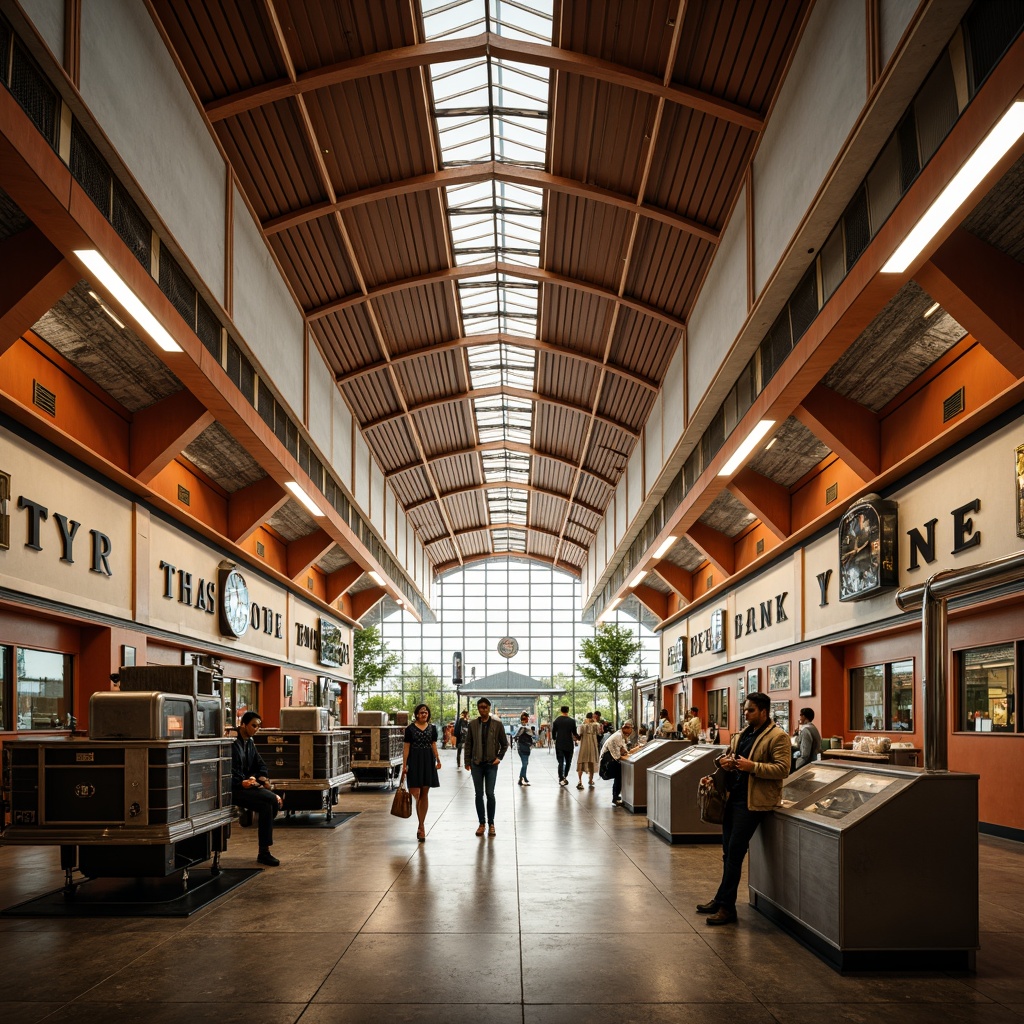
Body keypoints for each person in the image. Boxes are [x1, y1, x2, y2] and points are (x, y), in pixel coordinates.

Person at [697, 691, 790, 926]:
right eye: (745, 709)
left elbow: (782, 769)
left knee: (736, 853)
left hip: (754, 803)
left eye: (750, 710)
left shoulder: (778, 737)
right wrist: (721, 763)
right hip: (734, 798)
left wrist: (753, 766)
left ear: (763, 711)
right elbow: (726, 757)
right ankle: (721, 899)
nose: (745, 713)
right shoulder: (742, 735)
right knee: (729, 852)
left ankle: (727, 908)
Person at [232, 711, 282, 866]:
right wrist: (241, 782)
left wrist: (254, 777)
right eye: (253, 725)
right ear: (243, 724)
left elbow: (261, 766)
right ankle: (264, 852)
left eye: (258, 726)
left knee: (269, 803)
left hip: (247, 786)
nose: (256, 729)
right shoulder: (232, 743)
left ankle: (264, 851)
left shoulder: (249, 743)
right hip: (235, 789)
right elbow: (226, 769)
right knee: (270, 801)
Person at [464, 697, 509, 836]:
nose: (483, 709)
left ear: (489, 708)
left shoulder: (497, 724)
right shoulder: (472, 724)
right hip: (476, 764)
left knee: (490, 793)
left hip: (491, 764)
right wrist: (467, 761)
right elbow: (468, 744)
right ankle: (481, 823)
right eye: (480, 707)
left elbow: (505, 744)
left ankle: (491, 823)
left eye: (485, 707)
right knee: (479, 794)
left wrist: (499, 757)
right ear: (478, 708)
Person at [401, 703, 442, 842]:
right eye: (421, 712)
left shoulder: (432, 728)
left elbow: (433, 744)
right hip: (414, 761)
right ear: (417, 714)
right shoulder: (410, 729)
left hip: (427, 761)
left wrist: (438, 759)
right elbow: (406, 747)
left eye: (426, 712)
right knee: (415, 792)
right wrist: (404, 765)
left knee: (424, 792)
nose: (424, 714)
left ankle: (421, 826)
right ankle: (420, 814)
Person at [600, 720, 633, 806]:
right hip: (608, 761)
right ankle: (615, 797)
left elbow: (624, 751)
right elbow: (620, 753)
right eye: (629, 731)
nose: (629, 734)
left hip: (610, 759)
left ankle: (616, 795)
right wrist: (626, 753)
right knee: (619, 775)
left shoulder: (620, 735)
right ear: (624, 728)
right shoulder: (618, 736)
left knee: (619, 776)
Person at [550, 705, 580, 785]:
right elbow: (574, 733)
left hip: (559, 743)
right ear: (568, 711)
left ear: (561, 711)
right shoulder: (572, 721)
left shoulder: (556, 720)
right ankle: (565, 776)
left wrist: (555, 739)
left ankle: (561, 778)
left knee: (560, 762)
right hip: (569, 744)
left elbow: (553, 732)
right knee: (568, 761)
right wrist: (579, 737)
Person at [575, 711, 601, 789]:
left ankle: (580, 781)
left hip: (584, 746)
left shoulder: (582, 726)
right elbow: (599, 732)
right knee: (591, 762)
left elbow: (579, 734)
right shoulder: (596, 725)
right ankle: (590, 780)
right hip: (592, 746)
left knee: (581, 762)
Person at [514, 712, 534, 786]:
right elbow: (517, 735)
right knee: (524, 763)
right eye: (524, 719)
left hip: (526, 747)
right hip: (523, 747)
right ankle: (521, 779)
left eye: (526, 718)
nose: (525, 720)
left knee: (525, 763)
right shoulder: (522, 728)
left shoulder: (524, 727)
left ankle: (524, 777)